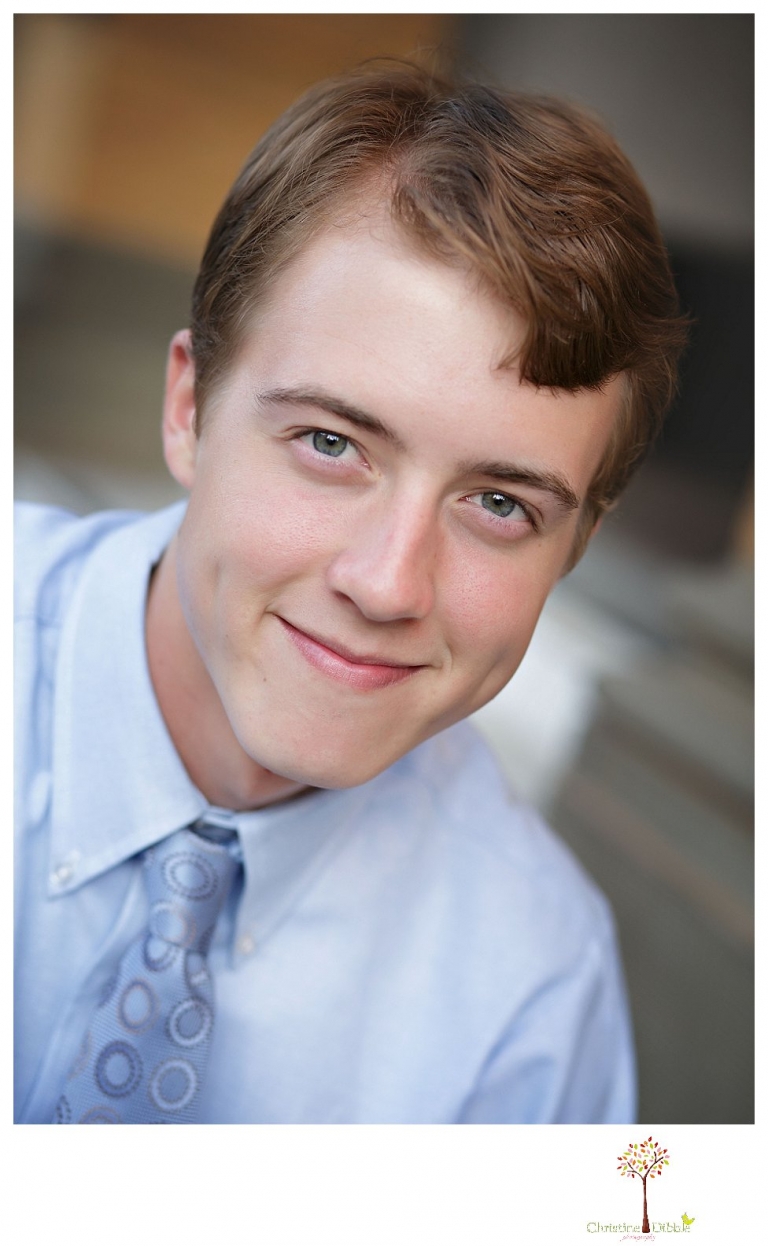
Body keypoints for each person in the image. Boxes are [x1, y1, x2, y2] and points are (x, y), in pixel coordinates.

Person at [14, 62, 687, 1124]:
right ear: (189, 409)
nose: (386, 584)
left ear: (575, 548)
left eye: (501, 506)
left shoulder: (534, 995)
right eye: (331, 443)